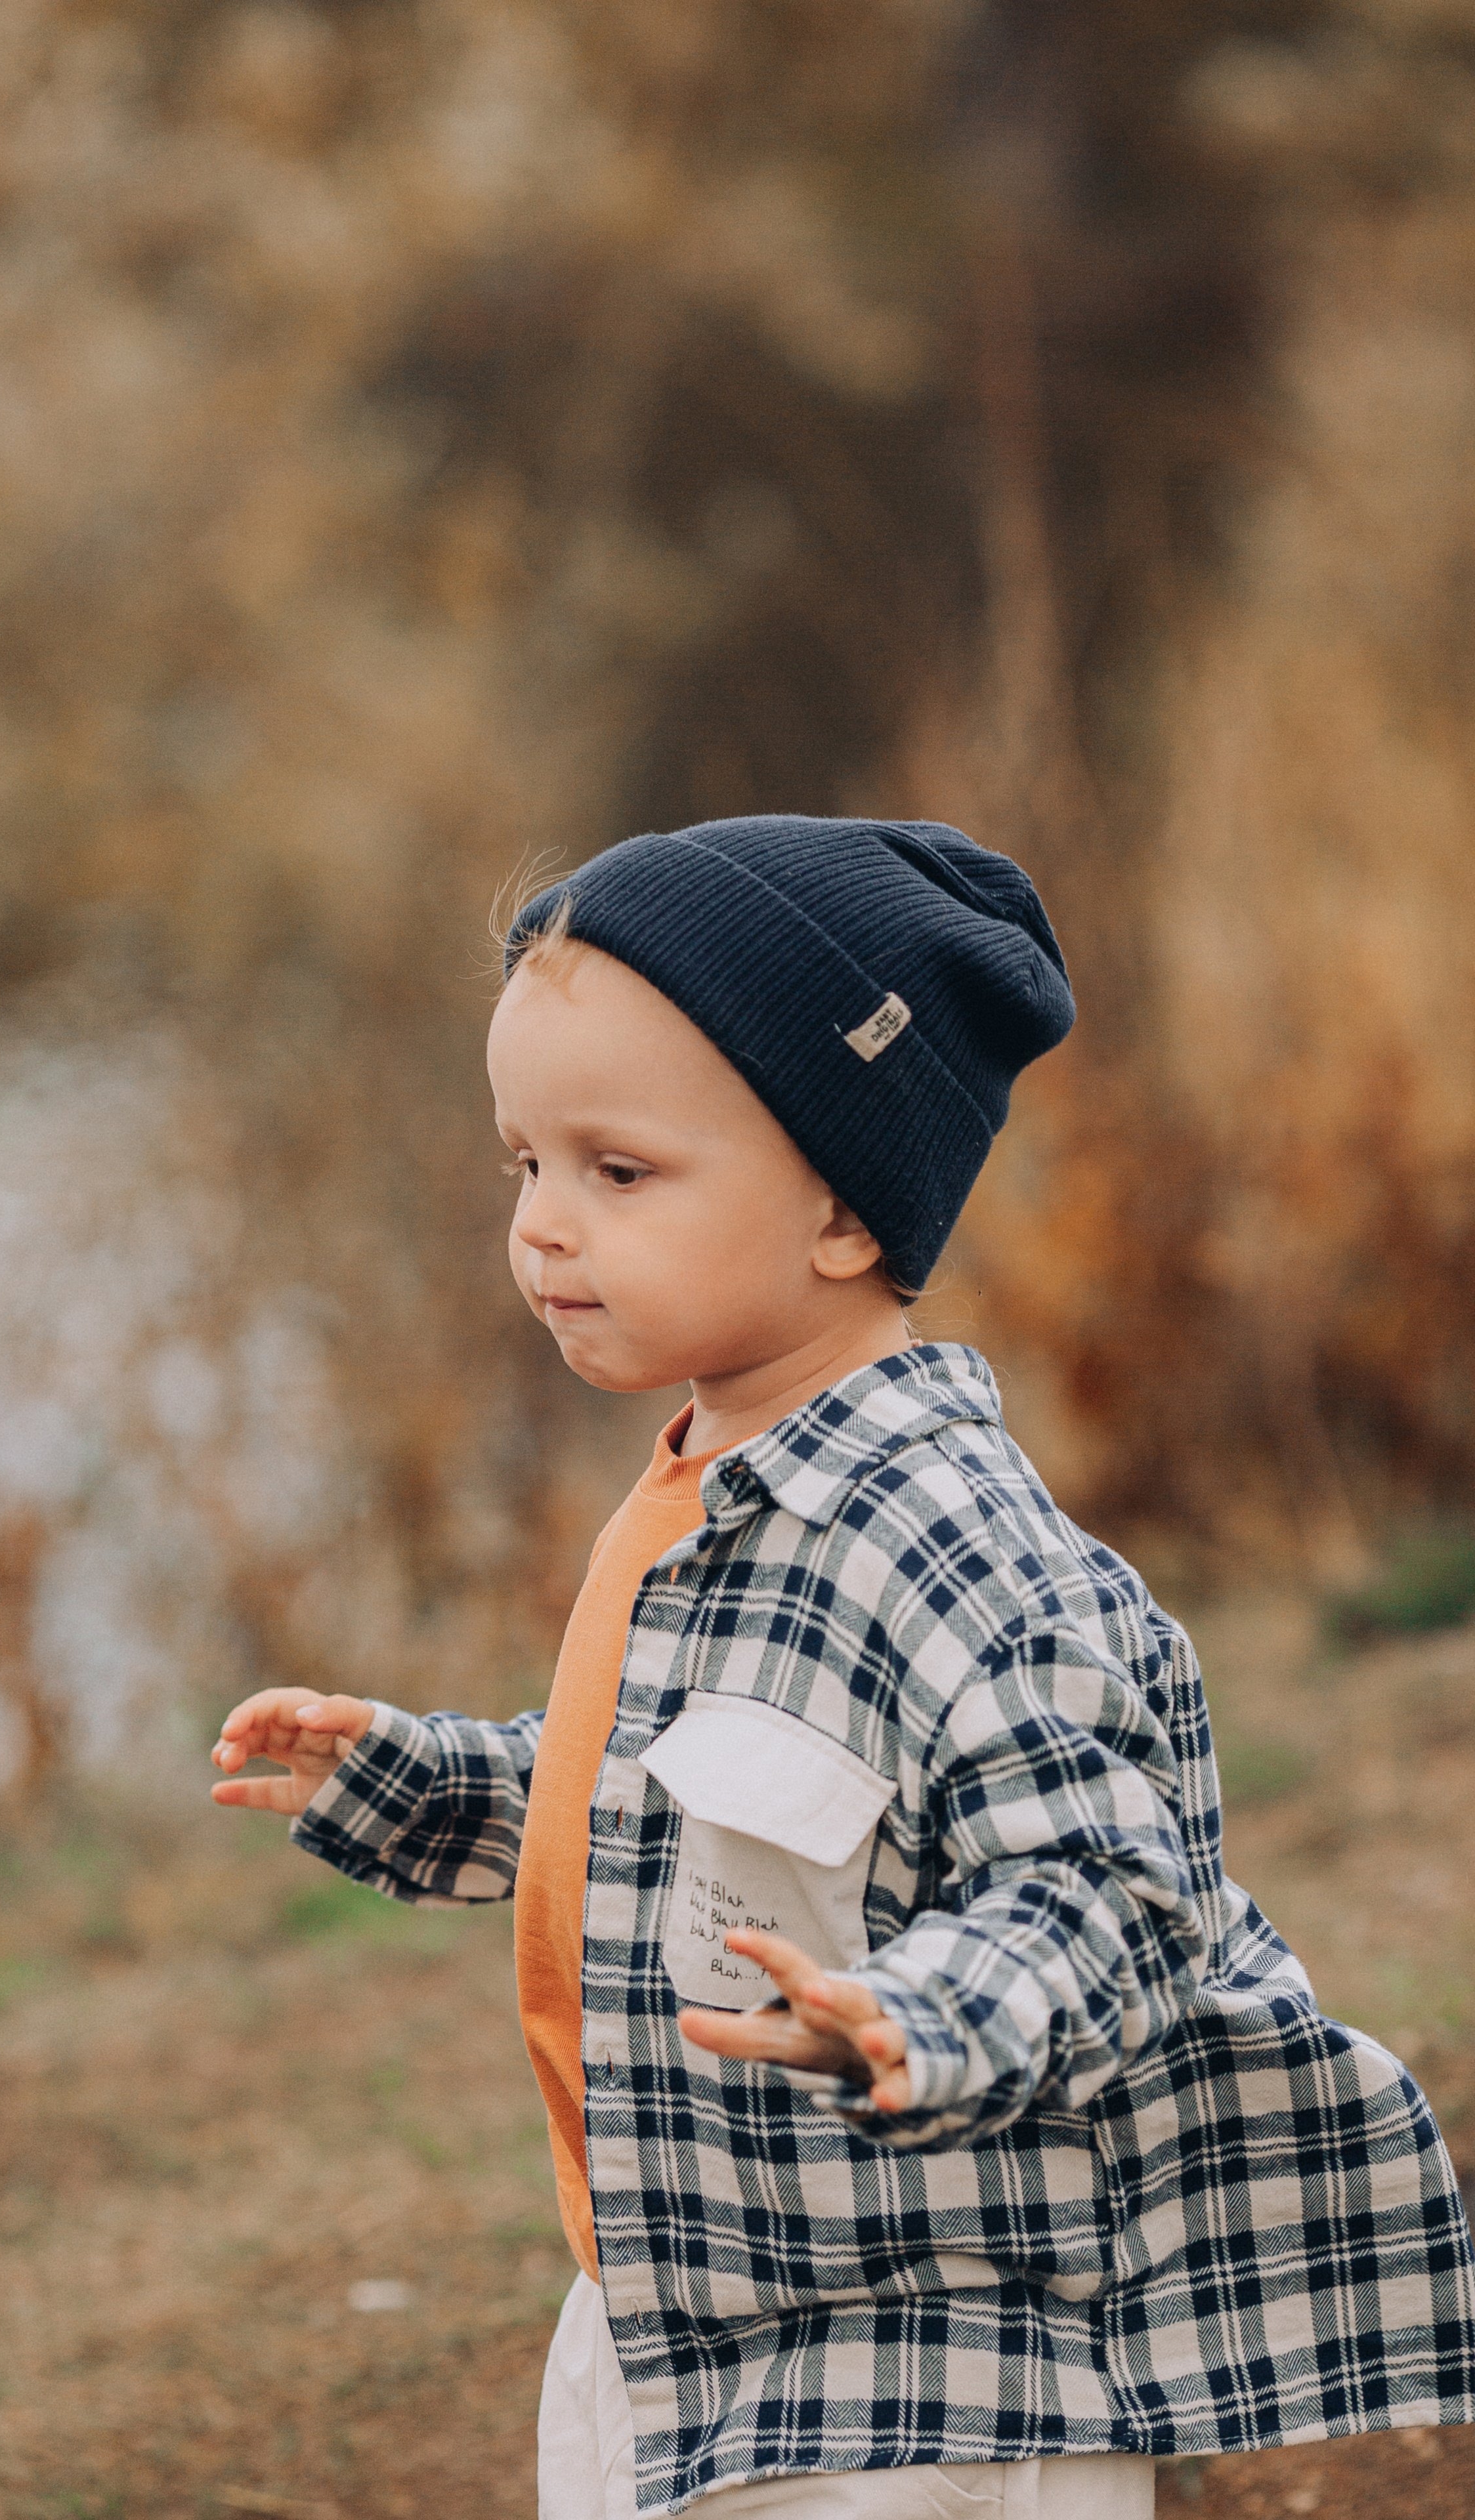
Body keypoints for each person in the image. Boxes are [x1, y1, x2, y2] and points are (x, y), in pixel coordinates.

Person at [211, 817, 1475, 2519]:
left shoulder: (949, 1543)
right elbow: (669, 1804)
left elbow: (1103, 1888)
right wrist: (419, 1781)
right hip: (692, 2289)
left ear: (834, 1205)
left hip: (929, 2390)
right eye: (526, 1165)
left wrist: (917, 2012)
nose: (544, 1231)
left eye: (619, 1173)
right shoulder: (705, 1482)